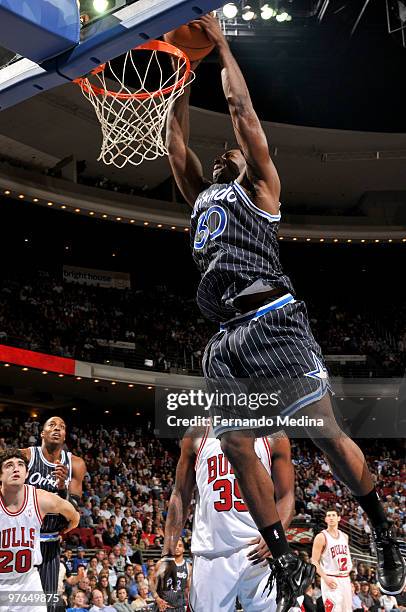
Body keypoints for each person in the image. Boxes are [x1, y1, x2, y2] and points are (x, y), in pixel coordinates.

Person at [165, 12, 405, 610]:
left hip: (273, 320)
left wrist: (220, 45)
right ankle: (283, 554)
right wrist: (182, 72)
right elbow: (174, 147)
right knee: (239, 444)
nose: (224, 155)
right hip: (225, 340)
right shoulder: (203, 197)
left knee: (322, 432)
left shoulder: (262, 188)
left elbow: (243, 115)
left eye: (232, 155)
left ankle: (382, 526)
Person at [157, 426, 294, 611]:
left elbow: (286, 496)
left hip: (261, 551)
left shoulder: (274, 435)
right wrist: (168, 554)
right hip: (211, 553)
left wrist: (275, 538)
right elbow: (180, 494)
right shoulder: (197, 433)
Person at [0, 448, 79, 612]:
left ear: (27, 473)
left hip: (28, 582)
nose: (16, 468)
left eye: (21, 464)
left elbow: (73, 514)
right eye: (9, 465)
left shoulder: (40, 498)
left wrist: (67, 527)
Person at [20, 416, 87, 611]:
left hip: (51, 544)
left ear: (65, 435)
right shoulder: (26, 456)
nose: (57, 429)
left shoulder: (76, 464)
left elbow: (73, 506)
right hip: (24, 539)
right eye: (52, 425)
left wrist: (61, 489)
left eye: (62, 427)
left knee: (47, 602)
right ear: (42, 433)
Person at [311, 509, 353, 612]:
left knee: (347, 610)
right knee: (334, 609)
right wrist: (325, 578)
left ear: (338, 518)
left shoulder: (345, 536)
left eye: (333, 515)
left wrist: (350, 580)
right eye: (328, 515)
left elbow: (346, 560)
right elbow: (314, 561)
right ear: (325, 519)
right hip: (331, 579)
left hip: (345, 578)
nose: (331, 517)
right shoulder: (321, 537)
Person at [155, 538, 191, 612]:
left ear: (184, 549)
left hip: (179, 607)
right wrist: (157, 598)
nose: (177, 547)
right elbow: (152, 583)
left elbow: (188, 589)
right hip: (163, 607)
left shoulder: (188, 567)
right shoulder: (161, 563)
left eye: (180, 546)